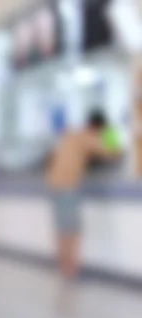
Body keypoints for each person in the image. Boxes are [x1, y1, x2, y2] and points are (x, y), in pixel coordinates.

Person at [45, 110, 119, 282]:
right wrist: (111, 131)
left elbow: (52, 157)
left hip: (53, 186)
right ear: (96, 127)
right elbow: (113, 153)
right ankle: (72, 271)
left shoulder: (71, 133)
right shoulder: (88, 136)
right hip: (68, 186)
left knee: (62, 229)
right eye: (101, 130)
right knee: (73, 230)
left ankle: (64, 269)